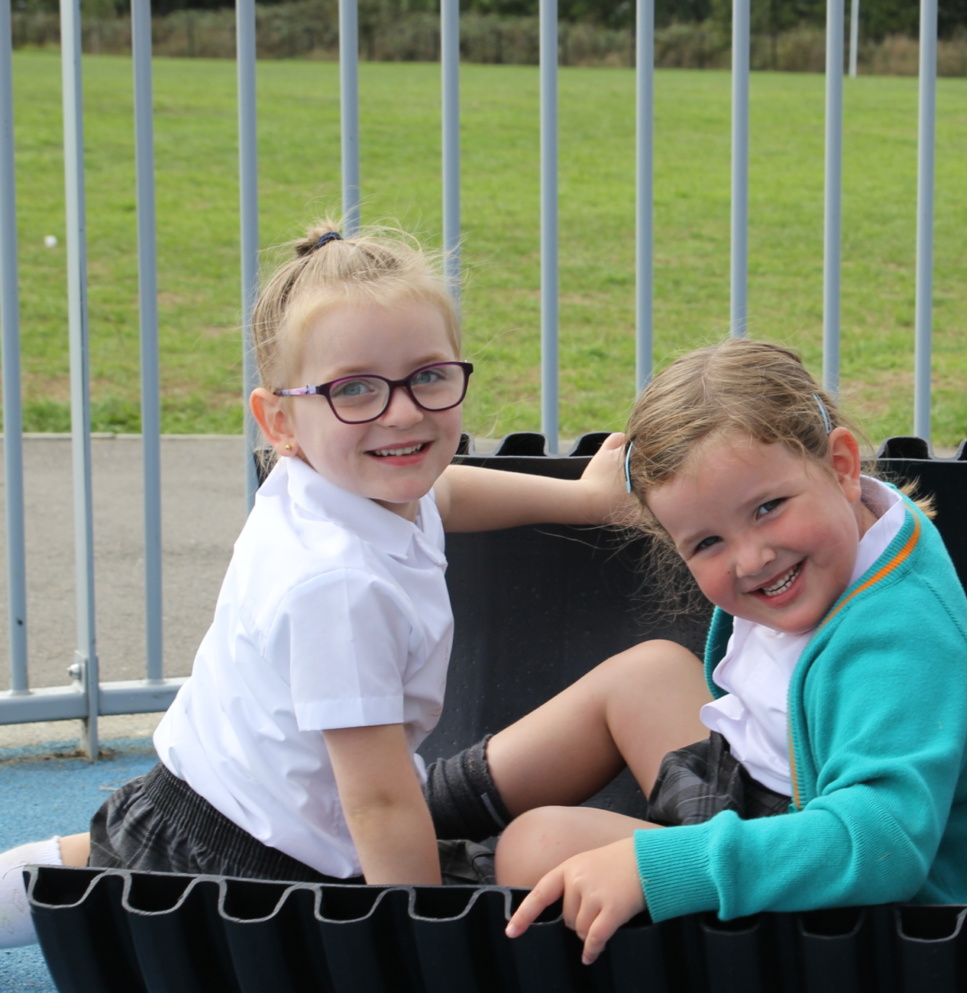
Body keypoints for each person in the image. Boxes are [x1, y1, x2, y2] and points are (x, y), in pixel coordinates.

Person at [0, 221, 626, 948]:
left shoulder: (352, 482)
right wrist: (427, 949)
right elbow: (382, 802)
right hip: (259, 863)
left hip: (201, 800)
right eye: (353, 388)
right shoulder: (339, 586)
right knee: (111, 876)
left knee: (98, 864)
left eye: (428, 374)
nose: (403, 409)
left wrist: (584, 499)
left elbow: (443, 496)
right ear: (279, 421)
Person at [423, 339, 967, 965]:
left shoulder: (899, 639)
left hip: (886, 912)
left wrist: (659, 867)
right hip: (774, 798)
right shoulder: (849, 523)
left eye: (768, 509)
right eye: (707, 541)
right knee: (649, 673)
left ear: (842, 465)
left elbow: (883, 844)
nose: (751, 558)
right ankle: (411, 816)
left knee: (537, 846)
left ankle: (444, 886)